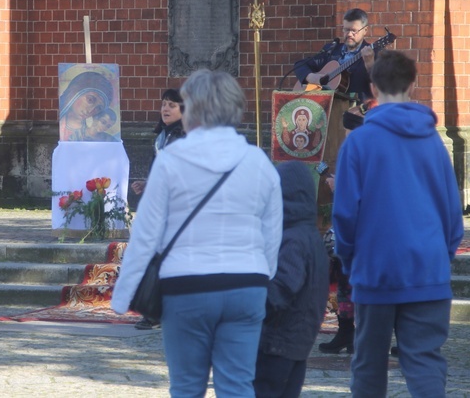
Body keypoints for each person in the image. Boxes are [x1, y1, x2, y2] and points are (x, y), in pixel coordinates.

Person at [111, 69, 283, 397]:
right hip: (247, 282)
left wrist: (123, 296)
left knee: (188, 387)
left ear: (195, 110)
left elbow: (147, 235)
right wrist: (262, 275)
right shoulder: (258, 162)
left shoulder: (171, 160)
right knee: (238, 385)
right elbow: (272, 233)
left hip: (186, 284)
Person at [332, 50, 464, 397]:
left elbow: (345, 213)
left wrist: (349, 259)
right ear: (414, 85)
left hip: (375, 268)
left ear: (372, 87)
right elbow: (452, 210)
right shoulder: (434, 143)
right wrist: (441, 254)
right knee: (424, 363)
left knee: (369, 364)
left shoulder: (358, 142)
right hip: (427, 268)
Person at [254, 161, 329, 398]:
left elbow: (282, 289)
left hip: (277, 343)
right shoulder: (310, 236)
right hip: (297, 343)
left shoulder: (293, 240)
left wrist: (249, 299)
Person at [129, 88, 186, 330]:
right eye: (163, 104)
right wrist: (147, 183)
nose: (165, 109)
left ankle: (156, 312)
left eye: (172, 105)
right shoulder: (163, 136)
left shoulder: (184, 138)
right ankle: (156, 310)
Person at [294, 8, 376, 102]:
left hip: (357, 111)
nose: (349, 34)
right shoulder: (332, 50)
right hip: (326, 110)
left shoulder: (373, 53)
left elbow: (382, 85)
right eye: (346, 29)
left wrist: (370, 65)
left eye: (354, 30)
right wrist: (311, 77)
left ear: (365, 30)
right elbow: (300, 65)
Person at [59, 71, 114, 141]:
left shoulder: (91, 133)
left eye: (98, 108)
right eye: (90, 100)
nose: (90, 111)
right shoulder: (59, 123)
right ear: (74, 94)